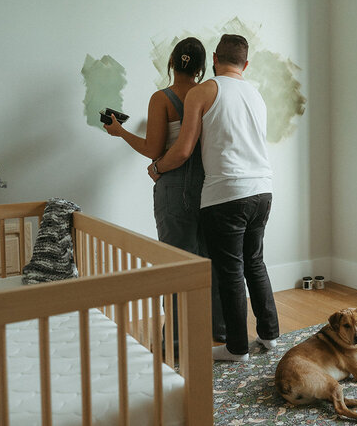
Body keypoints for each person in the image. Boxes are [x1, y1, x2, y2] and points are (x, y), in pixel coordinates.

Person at [148, 34, 279, 362]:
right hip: (263, 189)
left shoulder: (203, 90)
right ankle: (269, 334)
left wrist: (158, 166)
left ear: (216, 59)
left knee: (231, 270)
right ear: (245, 64)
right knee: (255, 262)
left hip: (227, 193)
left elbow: (184, 148)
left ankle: (236, 348)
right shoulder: (256, 95)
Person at [104, 36, 226, 346]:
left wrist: (120, 132)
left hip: (174, 186)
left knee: (175, 262)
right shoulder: (211, 95)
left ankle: (174, 337)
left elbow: (153, 149)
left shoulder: (162, 99)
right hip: (211, 185)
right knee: (210, 259)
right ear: (201, 67)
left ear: (171, 62)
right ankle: (219, 329)